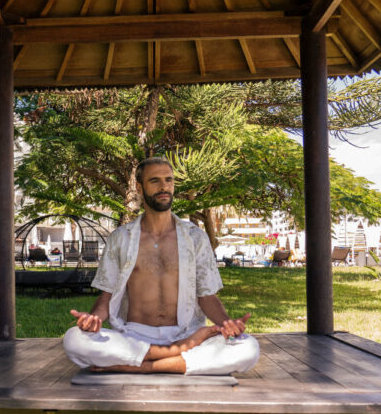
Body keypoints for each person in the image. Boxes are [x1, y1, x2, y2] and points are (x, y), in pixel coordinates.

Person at [63, 156, 260, 375]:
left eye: (169, 180)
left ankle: (140, 366)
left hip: (185, 332)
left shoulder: (195, 238)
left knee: (248, 347)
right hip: (134, 337)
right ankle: (176, 356)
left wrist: (227, 324)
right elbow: (106, 297)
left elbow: (207, 296)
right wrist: (94, 319)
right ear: (140, 187)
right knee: (74, 339)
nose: (164, 186)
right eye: (155, 180)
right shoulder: (121, 238)